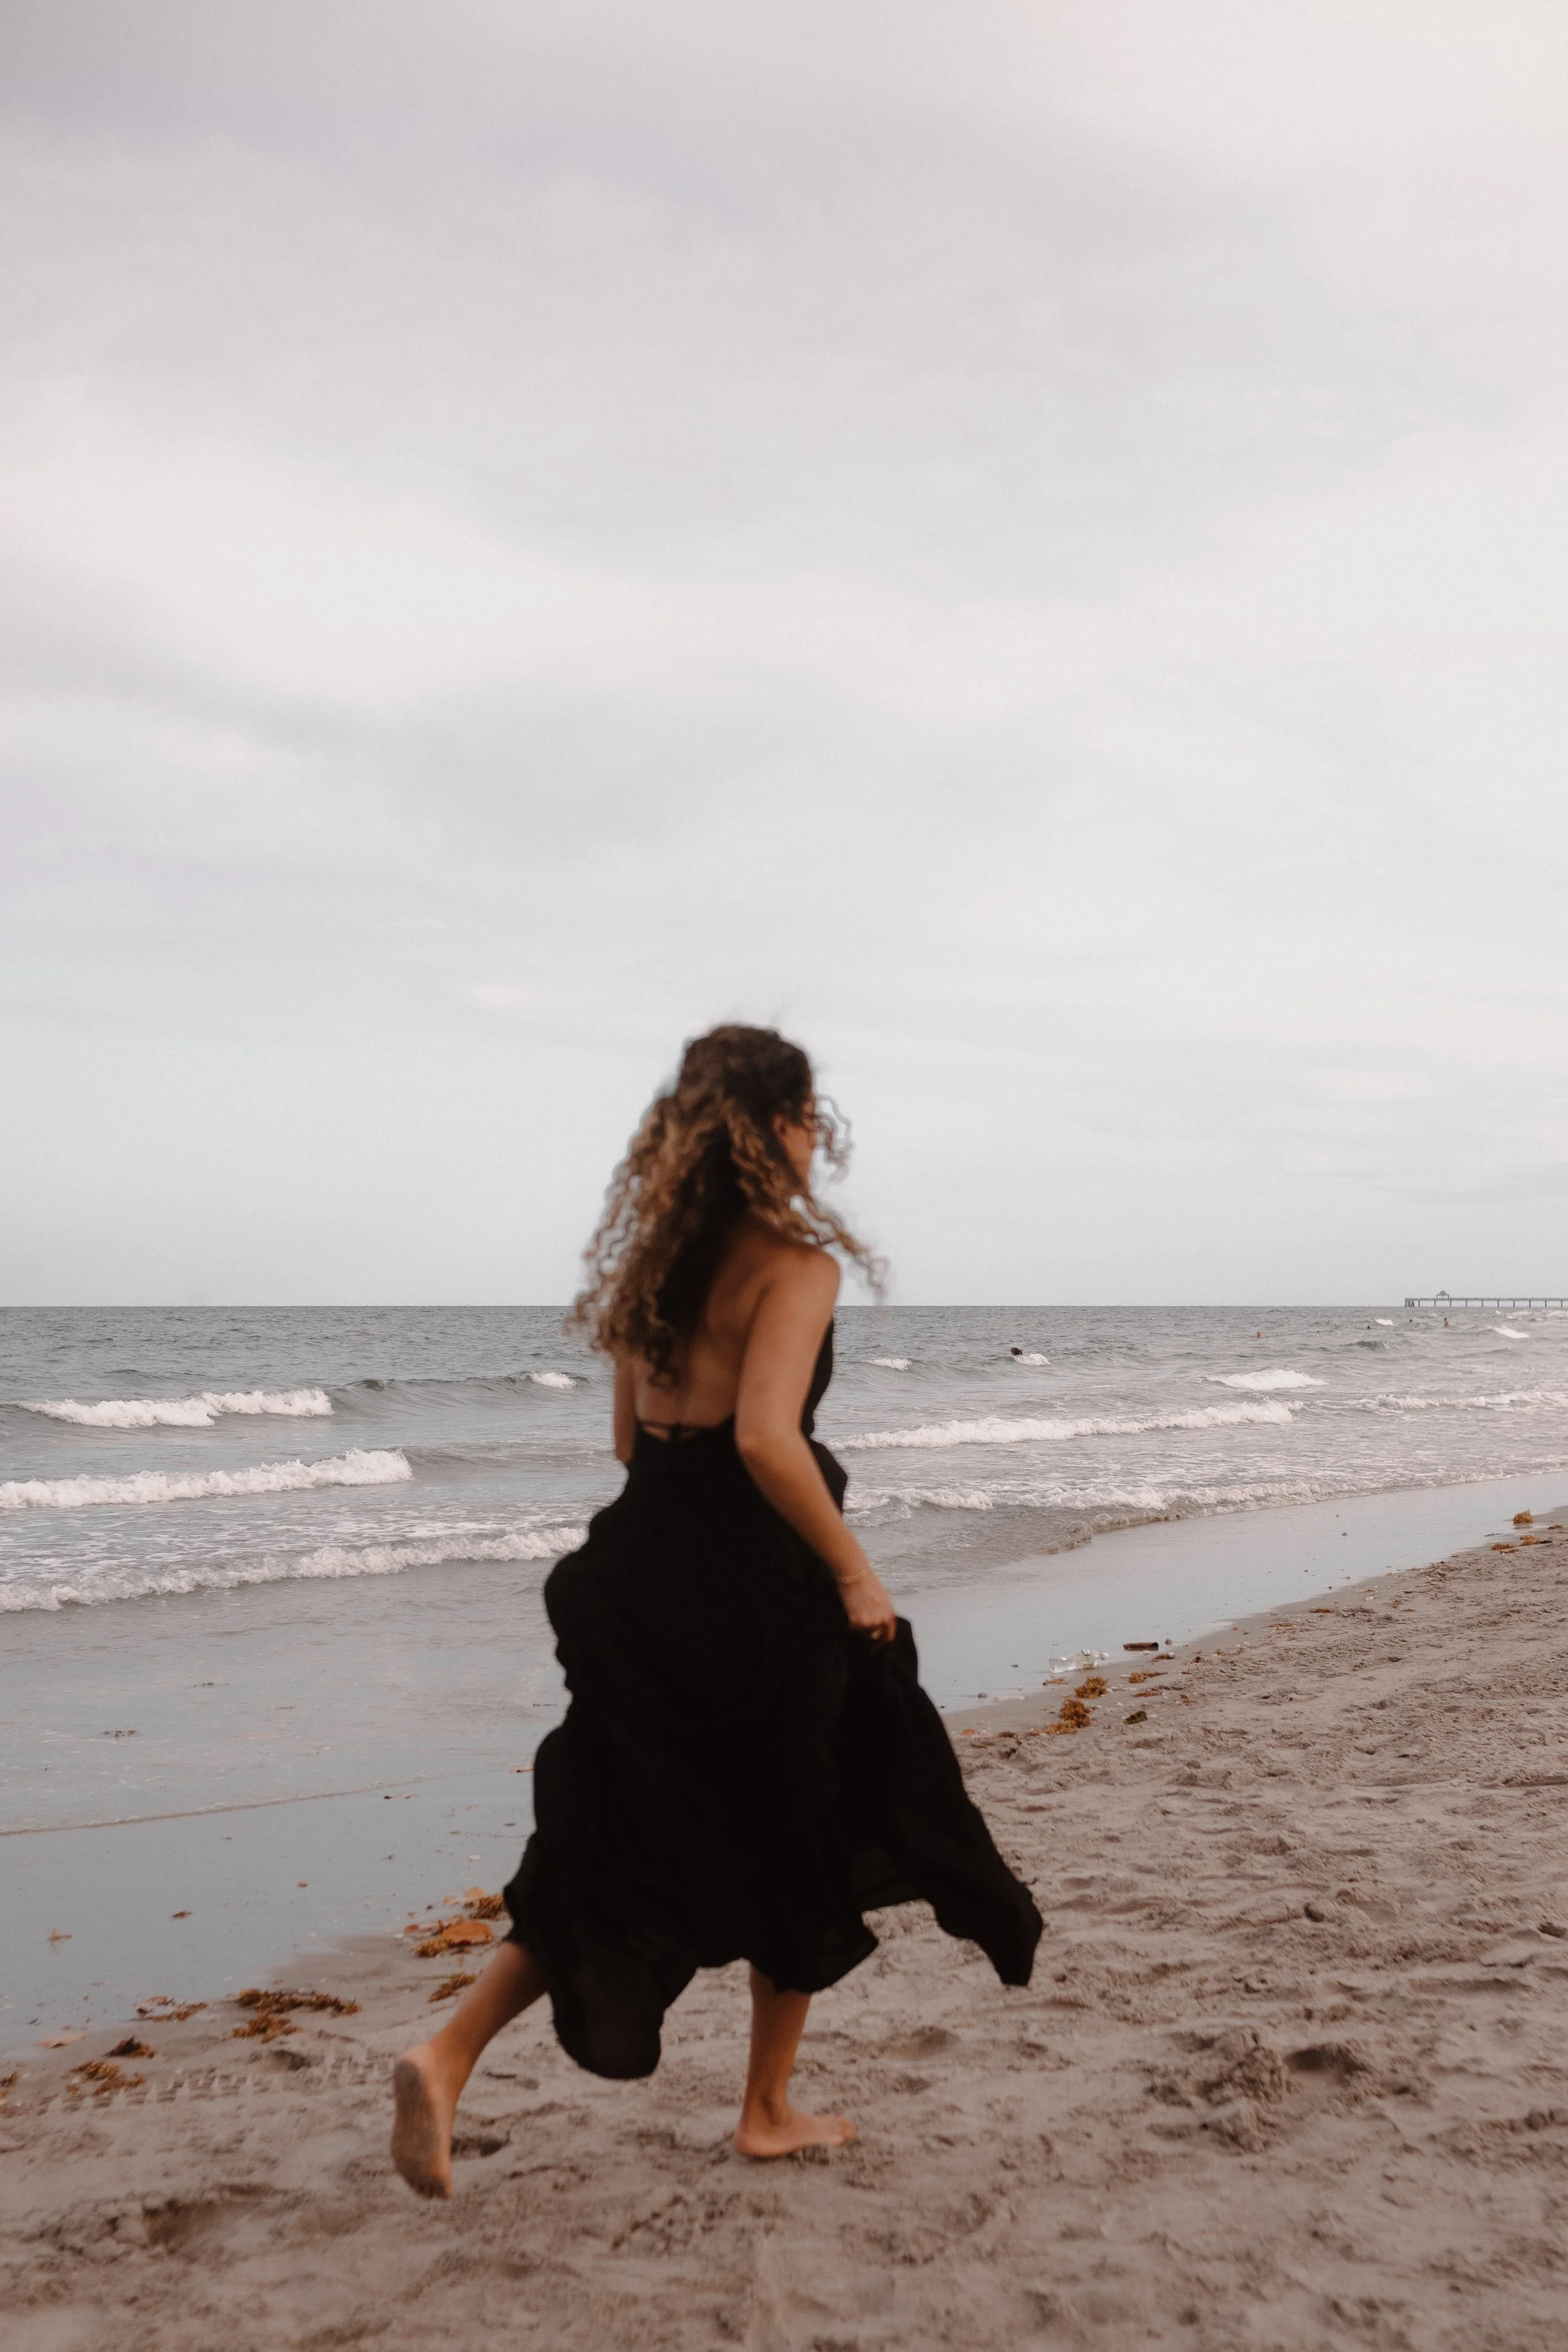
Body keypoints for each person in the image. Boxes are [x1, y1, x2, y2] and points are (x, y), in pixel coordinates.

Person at [391, 1024, 1041, 2196]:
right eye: (804, 1115)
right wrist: (853, 1571)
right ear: (779, 1123)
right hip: (755, 1585)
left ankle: (445, 2055)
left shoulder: (655, 1265)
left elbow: (631, 1442)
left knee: (612, 1838)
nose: (811, 1135)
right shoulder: (796, 1266)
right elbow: (763, 1437)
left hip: (638, 1570)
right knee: (805, 1815)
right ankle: (766, 2106)